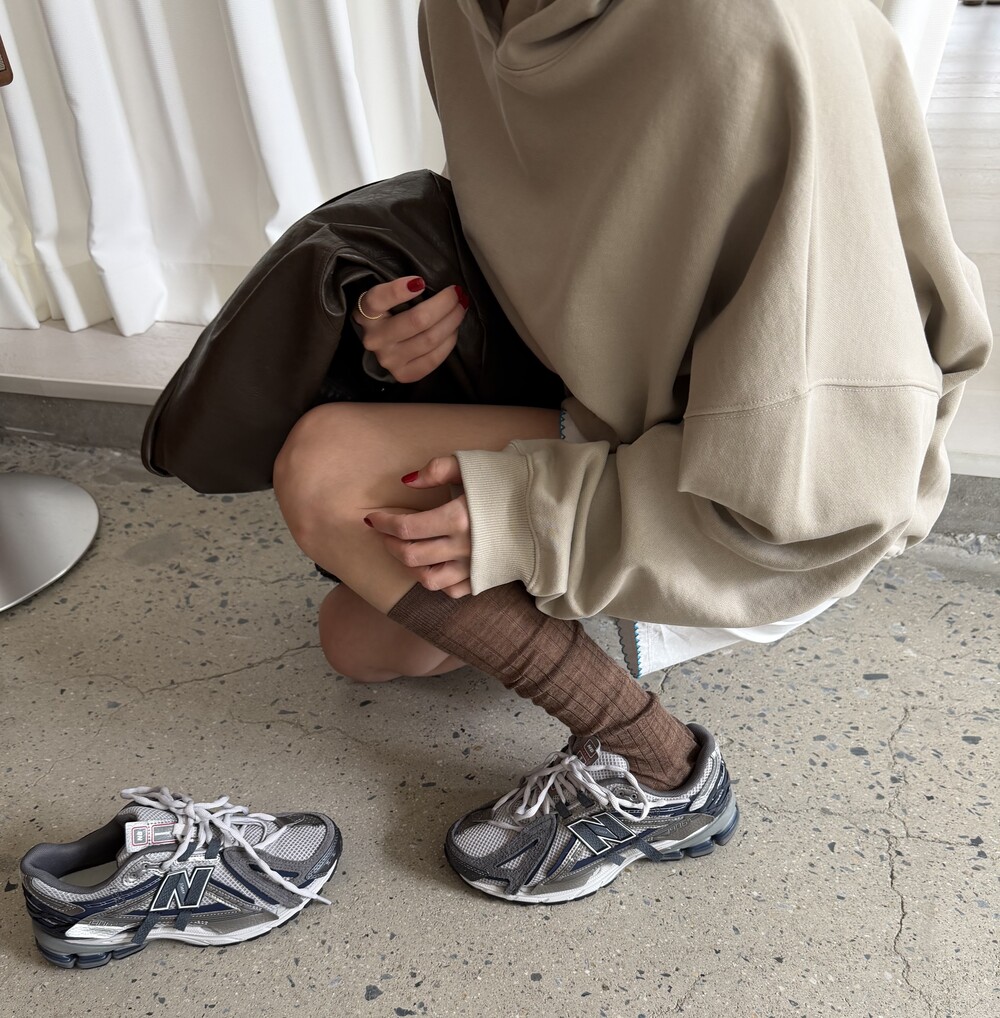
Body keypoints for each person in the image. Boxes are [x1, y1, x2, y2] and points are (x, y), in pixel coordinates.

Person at [271, 0, 992, 903]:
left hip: (764, 478)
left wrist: (534, 518)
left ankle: (664, 771)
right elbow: (552, 227)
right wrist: (420, 331)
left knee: (329, 474)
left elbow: (839, 487)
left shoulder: (744, 34)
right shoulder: (458, 12)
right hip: (613, 404)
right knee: (357, 643)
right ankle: (567, 613)